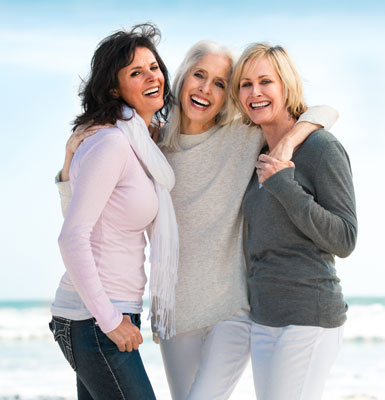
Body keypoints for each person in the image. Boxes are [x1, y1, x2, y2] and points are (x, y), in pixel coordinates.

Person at [57, 40, 338, 400]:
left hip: (232, 309)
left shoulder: (243, 137)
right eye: (199, 75)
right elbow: (84, 224)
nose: (206, 89)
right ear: (183, 77)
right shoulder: (149, 147)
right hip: (175, 314)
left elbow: (325, 111)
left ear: (228, 96)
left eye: (220, 83)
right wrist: (69, 158)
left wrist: (290, 141)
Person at [49, 23, 179, 400]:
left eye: (153, 67)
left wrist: (67, 164)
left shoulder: (141, 145)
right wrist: (109, 321)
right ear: (113, 88)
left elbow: (82, 215)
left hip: (108, 312)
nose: (151, 76)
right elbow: (72, 236)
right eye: (135, 72)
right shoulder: (112, 142)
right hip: (93, 318)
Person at [230, 42, 357, 400]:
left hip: (309, 316)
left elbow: (346, 238)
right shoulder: (255, 151)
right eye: (245, 84)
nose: (255, 93)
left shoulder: (321, 148)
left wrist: (284, 185)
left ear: (286, 86)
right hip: (264, 319)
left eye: (265, 82)